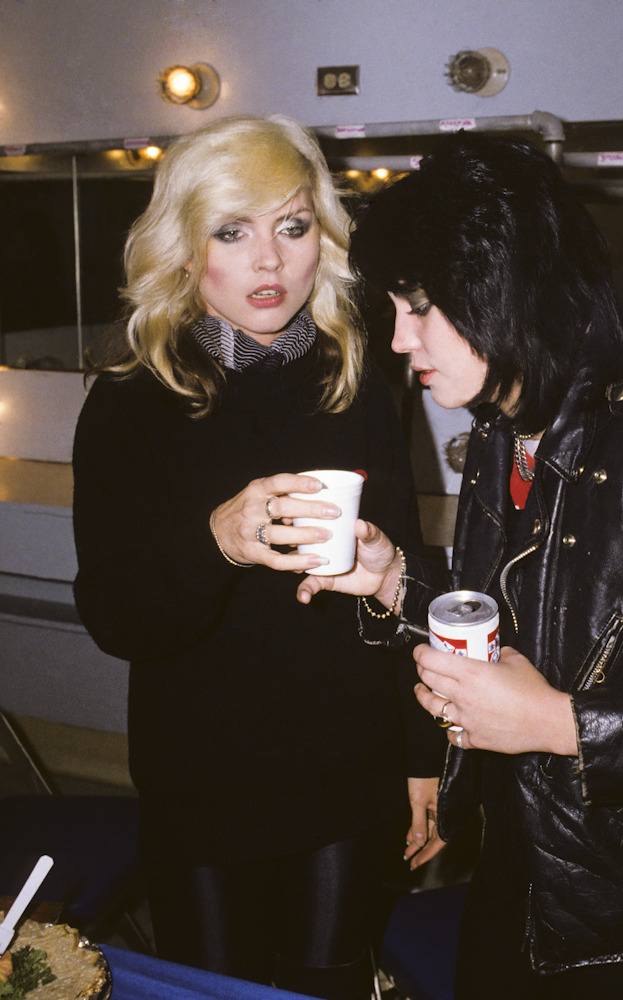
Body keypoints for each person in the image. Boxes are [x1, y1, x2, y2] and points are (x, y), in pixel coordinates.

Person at [296, 131, 623, 999]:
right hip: (524, 858)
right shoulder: (506, 438)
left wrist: (561, 725)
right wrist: (393, 579)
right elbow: (519, 628)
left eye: (420, 306)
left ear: (505, 292)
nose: (398, 339)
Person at [72, 114, 444, 1000]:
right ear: (185, 247)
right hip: (206, 774)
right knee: (217, 987)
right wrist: (215, 542)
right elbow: (116, 616)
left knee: (330, 981)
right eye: (231, 233)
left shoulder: (358, 374)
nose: (269, 263)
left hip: (350, 762)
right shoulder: (130, 402)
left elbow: (406, 572)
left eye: (292, 226)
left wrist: (424, 755)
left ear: (325, 233)